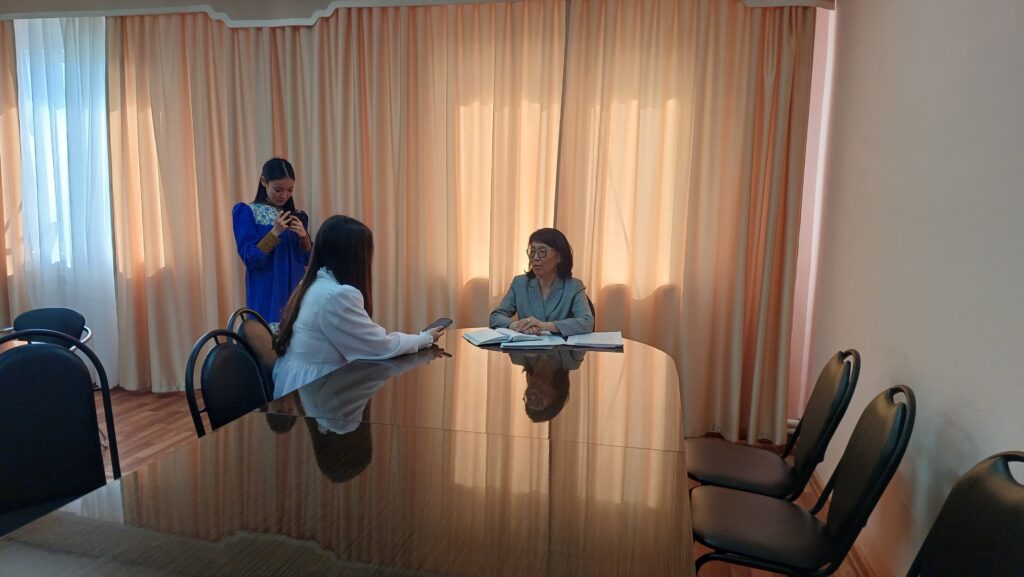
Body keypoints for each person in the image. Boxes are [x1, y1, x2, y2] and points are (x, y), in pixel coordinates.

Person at [272, 215, 446, 398]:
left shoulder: (312, 284)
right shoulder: (337, 295)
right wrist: (424, 338)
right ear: (355, 257)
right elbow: (380, 346)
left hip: (294, 386)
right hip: (316, 391)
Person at [232, 157, 312, 331]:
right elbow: (251, 259)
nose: (284, 195)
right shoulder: (247, 212)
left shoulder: (297, 216)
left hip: (296, 292)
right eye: (278, 190)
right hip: (267, 294)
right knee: (266, 342)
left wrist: (304, 238)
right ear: (263, 181)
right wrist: (275, 232)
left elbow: (308, 260)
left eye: (290, 190)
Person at [489, 228, 595, 336]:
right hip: (527, 346)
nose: (535, 257)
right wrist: (516, 325)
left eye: (542, 252)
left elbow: (587, 322)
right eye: (532, 251)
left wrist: (544, 326)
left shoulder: (574, 286)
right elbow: (495, 317)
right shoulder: (520, 283)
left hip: (560, 346)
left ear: (560, 256)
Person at [509, 349, 586, 422]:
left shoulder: (518, 357)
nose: (532, 395)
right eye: (538, 401)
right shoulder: (572, 361)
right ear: (556, 395)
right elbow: (584, 339)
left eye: (529, 399)